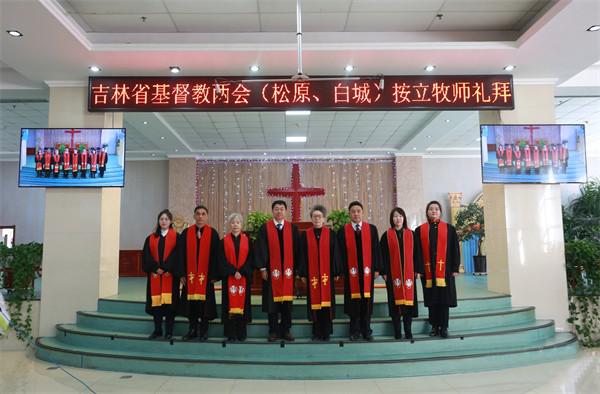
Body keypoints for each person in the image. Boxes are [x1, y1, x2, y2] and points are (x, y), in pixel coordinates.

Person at [255, 200, 301, 342]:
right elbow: (260, 248)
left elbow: (297, 250)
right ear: (272, 211)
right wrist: (262, 268)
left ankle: (286, 330)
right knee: (272, 302)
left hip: (288, 273)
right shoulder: (265, 228)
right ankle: (273, 330)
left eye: (282, 209)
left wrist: (297, 270)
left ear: (286, 211)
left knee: (286, 303)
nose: (279, 211)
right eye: (276, 209)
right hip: (271, 272)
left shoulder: (292, 229)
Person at [414, 201, 460, 339]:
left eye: (436, 209)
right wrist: (419, 269)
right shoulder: (420, 230)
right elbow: (417, 252)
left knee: (444, 300)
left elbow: (455, 250)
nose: (433, 211)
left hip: (445, 271)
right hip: (427, 272)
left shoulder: (449, 229)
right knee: (432, 299)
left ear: (440, 212)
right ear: (427, 212)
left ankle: (444, 327)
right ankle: (434, 326)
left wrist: (455, 267)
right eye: (431, 209)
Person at [338, 201, 382, 341]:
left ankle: (366, 330)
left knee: (366, 301)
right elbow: (340, 254)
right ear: (349, 214)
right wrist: (342, 271)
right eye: (353, 211)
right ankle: (354, 330)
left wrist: (377, 269)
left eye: (358, 211)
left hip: (367, 273)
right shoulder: (342, 231)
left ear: (362, 213)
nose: (356, 214)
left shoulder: (372, 229)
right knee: (353, 302)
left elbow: (376, 250)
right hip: (351, 274)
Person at [299, 205, 341, 341]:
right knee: (315, 303)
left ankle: (327, 332)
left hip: (327, 276)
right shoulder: (305, 235)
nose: (317, 218)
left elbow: (336, 254)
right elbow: (302, 256)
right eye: (314, 216)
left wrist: (335, 272)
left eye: (319, 216)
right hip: (312, 277)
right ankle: (316, 332)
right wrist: (303, 274)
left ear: (324, 219)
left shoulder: (331, 234)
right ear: (311, 218)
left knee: (327, 304)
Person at [178, 205, 219, 341]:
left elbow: (216, 256)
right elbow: (181, 254)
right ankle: (192, 329)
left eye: (203, 214)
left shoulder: (213, 234)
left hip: (205, 278)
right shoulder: (186, 233)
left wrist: (214, 275)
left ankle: (204, 331)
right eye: (198, 214)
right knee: (191, 306)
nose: (200, 216)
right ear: (194, 216)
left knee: (204, 306)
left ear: (207, 216)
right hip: (190, 277)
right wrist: (182, 274)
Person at [380, 207, 419, 340]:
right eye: (395, 216)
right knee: (395, 303)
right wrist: (384, 272)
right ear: (392, 219)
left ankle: (408, 330)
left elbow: (417, 255)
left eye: (400, 216)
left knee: (408, 304)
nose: (398, 219)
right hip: (392, 275)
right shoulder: (386, 235)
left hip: (409, 276)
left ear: (404, 218)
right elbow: (382, 255)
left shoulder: (412, 235)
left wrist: (417, 271)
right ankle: (397, 331)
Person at [142, 209, 180, 340]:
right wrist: (155, 268)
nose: (164, 221)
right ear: (158, 221)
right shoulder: (151, 238)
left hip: (170, 276)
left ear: (171, 221)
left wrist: (165, 267)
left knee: (170, 305)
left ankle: (169, 331)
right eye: (161, 219)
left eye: (166, 219)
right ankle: (157, 330)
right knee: (156, 304)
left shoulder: (177, 237)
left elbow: (177, 255)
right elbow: (146, 256)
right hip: (155, 276)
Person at [218, 213, 254, 342]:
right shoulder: (223, 241)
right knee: (229, 305)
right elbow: (221, 260)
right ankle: (231, 333)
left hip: (243, 278)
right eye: (233, 222)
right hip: (229, 278)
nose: (235, 225)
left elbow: (251, 259)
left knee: (243, 305)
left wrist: (242, 271)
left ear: (241, 224)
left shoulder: (248, 241)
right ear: (229, 225)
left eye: (238, 222)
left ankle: (241, 333)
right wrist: (233, 271)